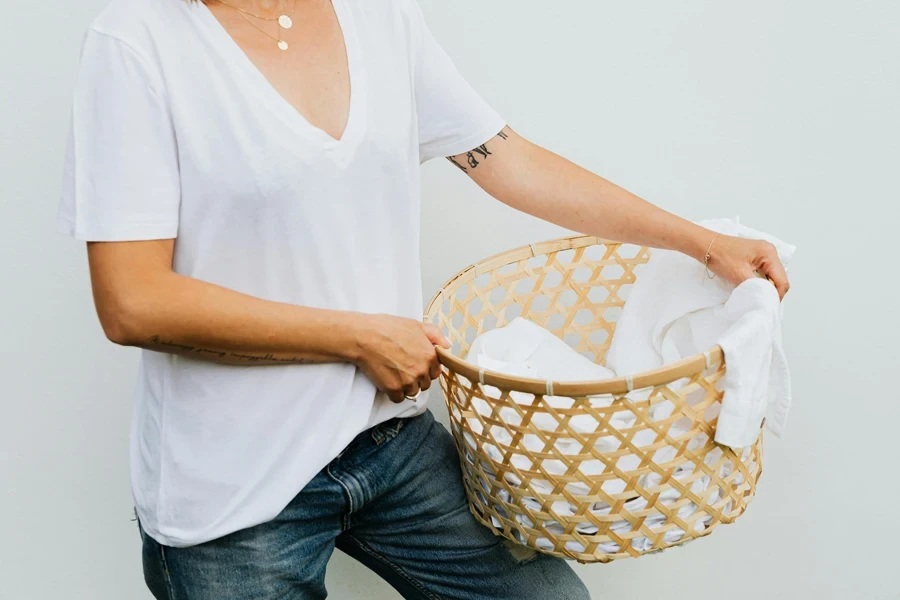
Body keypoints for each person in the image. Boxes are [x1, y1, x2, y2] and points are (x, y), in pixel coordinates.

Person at [59, 0, 790, 598]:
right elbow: (133, 302)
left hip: (387, 440)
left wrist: (699, 242)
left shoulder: (379, 18)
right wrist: (356, 338)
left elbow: (509, 161)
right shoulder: (137, 44)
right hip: (235, 484)